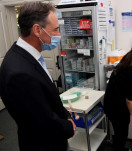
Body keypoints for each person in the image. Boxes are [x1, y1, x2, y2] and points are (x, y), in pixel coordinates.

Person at [0, 2, 76, 151]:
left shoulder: (27, 56)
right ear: (37, 30)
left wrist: (66, 116)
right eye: (55, 30)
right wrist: (68, 127)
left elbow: (46, 98)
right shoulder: (19, 73)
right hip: (43, 144)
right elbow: (41, 121)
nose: (59, 35)